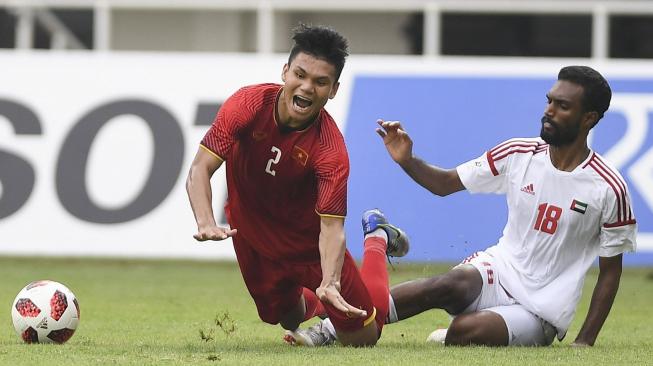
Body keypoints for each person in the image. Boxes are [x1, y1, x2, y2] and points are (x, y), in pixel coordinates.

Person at [297, 66, 637, 347]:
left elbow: (610, 272)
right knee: (445, 285)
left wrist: (585, 341)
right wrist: (407, 160)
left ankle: (458, 332)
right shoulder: (518, 153)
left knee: (465, 333)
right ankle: (327, 330)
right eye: (549, 101)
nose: (549, 110)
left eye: (563, 106)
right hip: (499, 270)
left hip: (541, 309)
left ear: (589, 118)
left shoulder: (608, 187)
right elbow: (445, 184)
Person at [186, 24, 408, 347]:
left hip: (310, 248)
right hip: (251, 235)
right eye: (300, 75)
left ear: (333, 90)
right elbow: (200, 169)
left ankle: (376, 237)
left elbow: (332, 229)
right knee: (286, 318)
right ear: (285, 71)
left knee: (363, 337)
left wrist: (330, 280)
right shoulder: (247, 105)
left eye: (320, 82)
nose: (306, 88)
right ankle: (322, 310)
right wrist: (205, 220)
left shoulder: (331, 152)